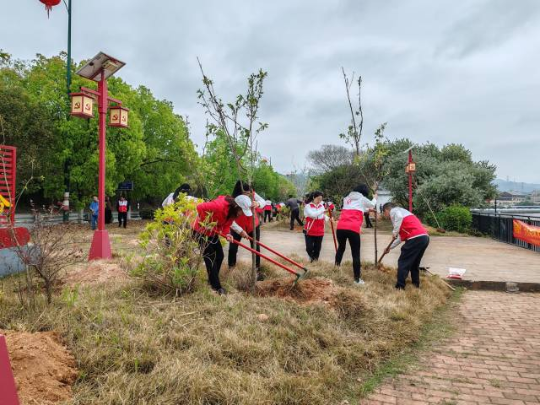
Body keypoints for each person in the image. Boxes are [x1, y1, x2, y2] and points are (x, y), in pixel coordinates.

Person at [192, 195, 245, 295]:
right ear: (237, 207)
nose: (242, 214)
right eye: (242, 211)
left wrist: (227, 234)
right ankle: (216, 287)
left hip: (212, 232)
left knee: (220, 256)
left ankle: (212, 279)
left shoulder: (232, 213)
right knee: (210, 257)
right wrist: (205, 222)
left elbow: (226, 225)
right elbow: (200, 207)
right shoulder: (219, 206)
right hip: (200, 230)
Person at [334, 184, 377, 286]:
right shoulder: (362, 198)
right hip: (352, 228)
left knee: (341, 248)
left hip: (340, 227)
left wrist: (366, 210)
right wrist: (375, 198)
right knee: (355, 254)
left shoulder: (346, 198)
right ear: (364, 192)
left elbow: (355, 208)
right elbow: (371, 205)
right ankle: (357, 279)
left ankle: (335, 269)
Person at [382, 202, 429, 290]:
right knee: (414, 263)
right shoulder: (404, 213)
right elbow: (400, 238)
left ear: (387, 210)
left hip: (415, 238)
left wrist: (394, 232)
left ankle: (400, 287)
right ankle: (415, 285)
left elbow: (398, 219)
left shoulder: (395, 211)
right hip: (424, 238)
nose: (386, 216)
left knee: (403, 262)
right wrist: (389, 248)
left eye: (384, 213)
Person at [229, 195, 264, 280]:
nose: (247, 193)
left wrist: (258, 203)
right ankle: (231, 270)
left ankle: (257, 271)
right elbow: (229, 220)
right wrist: (240, 230)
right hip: (237, 226)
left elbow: (263, 201)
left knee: (256, 248)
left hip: (253, 226)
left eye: (248, 192)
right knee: (233, 248)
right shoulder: (236, 198)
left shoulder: (253, 194)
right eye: (245, 191)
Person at [304, 191, 329, 262]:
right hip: (310, 231)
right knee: (309, 248)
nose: (319, 201)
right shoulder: (308, 206)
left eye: (321, 199)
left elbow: (323, 216)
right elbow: (312, 215)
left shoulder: (321, 206)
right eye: (318, 199)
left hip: (320, 231)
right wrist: (322, 210)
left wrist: (329, 219)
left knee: (317, 249)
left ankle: (315, 262)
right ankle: (312, 258)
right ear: (313, 197)